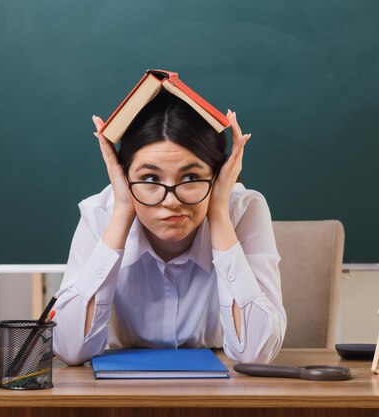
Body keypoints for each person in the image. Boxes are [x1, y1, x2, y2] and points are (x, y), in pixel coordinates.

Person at [52, 91, 286, 365]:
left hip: (218, 396)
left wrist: (219, 212)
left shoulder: (243, 210)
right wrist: (123, 211)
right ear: (124, 178)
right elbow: (69, 349)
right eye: (150, 178)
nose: (171, 201)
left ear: (219, 175)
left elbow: (254, 354)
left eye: (191, 177)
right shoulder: (100, 214)